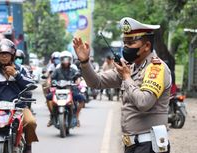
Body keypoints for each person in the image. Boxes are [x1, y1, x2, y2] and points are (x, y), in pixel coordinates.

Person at [73, 17, 171, 153]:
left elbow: (144, 102)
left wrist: (126, 77)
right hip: (132, 146)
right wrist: (84, 62)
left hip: (149, 145)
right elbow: (96, 82)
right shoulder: (130, 67)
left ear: (146, 46)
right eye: (124, 43)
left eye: (130, 43)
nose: (126, 47)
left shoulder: (156, 68)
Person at [0, 39, 38, 153]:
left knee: (31, 122)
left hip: (19, 107)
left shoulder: (21, 69)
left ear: (12, 55)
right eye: (1, 54)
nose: (4, 57)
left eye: (7, 54)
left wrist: (16, 74)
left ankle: (28, 147)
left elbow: (31, 84)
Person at [46, 50, 85, 127]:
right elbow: (51, 78)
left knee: (82, 99)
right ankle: (52, 116)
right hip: (58, 91)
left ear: (70, 60)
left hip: (71, 90)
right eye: (64, 59)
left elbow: (77, 77)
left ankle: (76, 117)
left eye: (67, 59)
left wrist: (77, 81)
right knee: (48, 98)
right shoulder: (57, 70)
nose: (65, 61)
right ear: (61, 60)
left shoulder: (73, 69)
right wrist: (49, 82)